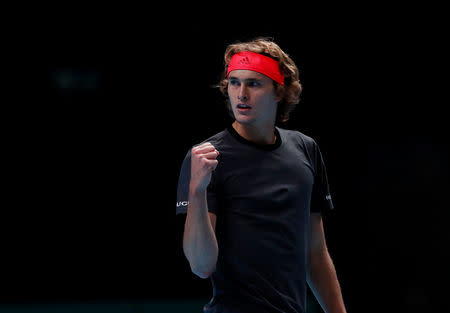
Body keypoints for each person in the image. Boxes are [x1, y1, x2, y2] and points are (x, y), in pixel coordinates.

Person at [176, 38, 347, 313]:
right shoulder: (205, 157)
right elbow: (201, 266)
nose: (241, 93)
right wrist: (197, 191)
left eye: (254, 84)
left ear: (278, 92)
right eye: (234, 82)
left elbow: (315, 254)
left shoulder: (306, 149)